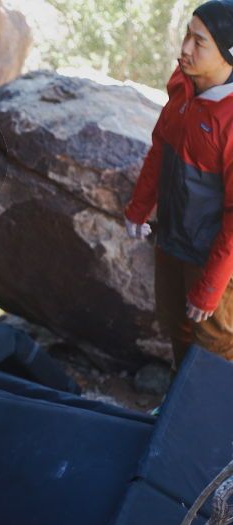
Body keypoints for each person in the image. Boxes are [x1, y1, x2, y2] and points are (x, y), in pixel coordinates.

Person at [124, 0, 233, 373]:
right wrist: (139, 207)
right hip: (173, 240)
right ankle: (175, 413)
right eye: (187, 34)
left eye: (199, 41)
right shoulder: (182, 87)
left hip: (216, 260)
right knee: (177, 329)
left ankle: (214, 429)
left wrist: (210, 286)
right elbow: (160, 148)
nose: (185, 48)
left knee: (215, 349)